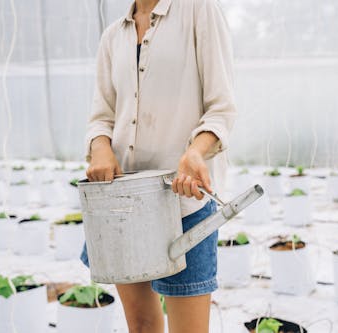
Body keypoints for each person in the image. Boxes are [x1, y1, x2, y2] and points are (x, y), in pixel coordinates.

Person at [83, 0, 236, 332]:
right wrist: (100, 148)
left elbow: (221, 108)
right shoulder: (112, 36)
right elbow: (102, 117)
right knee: (140, 326)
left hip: (184, 204)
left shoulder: (199, 11)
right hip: (122, 203)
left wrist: (195, 152)